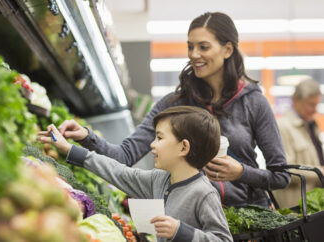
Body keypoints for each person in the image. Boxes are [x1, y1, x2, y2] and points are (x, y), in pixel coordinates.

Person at [55, 12, 290, 207]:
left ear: (227, 50)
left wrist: (241, 172)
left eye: (203, 47)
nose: (194, 55)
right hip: (190, 221)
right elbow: (125, 156)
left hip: (248, 223)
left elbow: (281, 176)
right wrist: (88, 137)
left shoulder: (254, 103)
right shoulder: (173, 104)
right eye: (190, 47)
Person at [38, 106, 233, 242]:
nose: (152, 144)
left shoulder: (203, 193)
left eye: (159, 138)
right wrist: (69, 149)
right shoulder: (160, 179)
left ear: (183, 147)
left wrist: (180, 232)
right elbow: (119, 172)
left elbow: (223, 239)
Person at [274, 79, 324, 208]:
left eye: (316, 105)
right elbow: (285, 171)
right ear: (296, 100)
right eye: (310, 104)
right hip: (294, 207)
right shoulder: (283, 127)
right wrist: (320, 172)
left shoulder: (311, 125)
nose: (314, 110)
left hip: (312, 203)